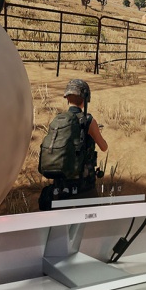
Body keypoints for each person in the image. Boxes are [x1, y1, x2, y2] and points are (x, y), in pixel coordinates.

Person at [37, 79, 108, 210]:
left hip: (60, 185)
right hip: (84, 186)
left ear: (67, 98)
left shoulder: (58, 120)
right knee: (92, 217)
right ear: (86, 98)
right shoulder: (88, 120)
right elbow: (104, 147)